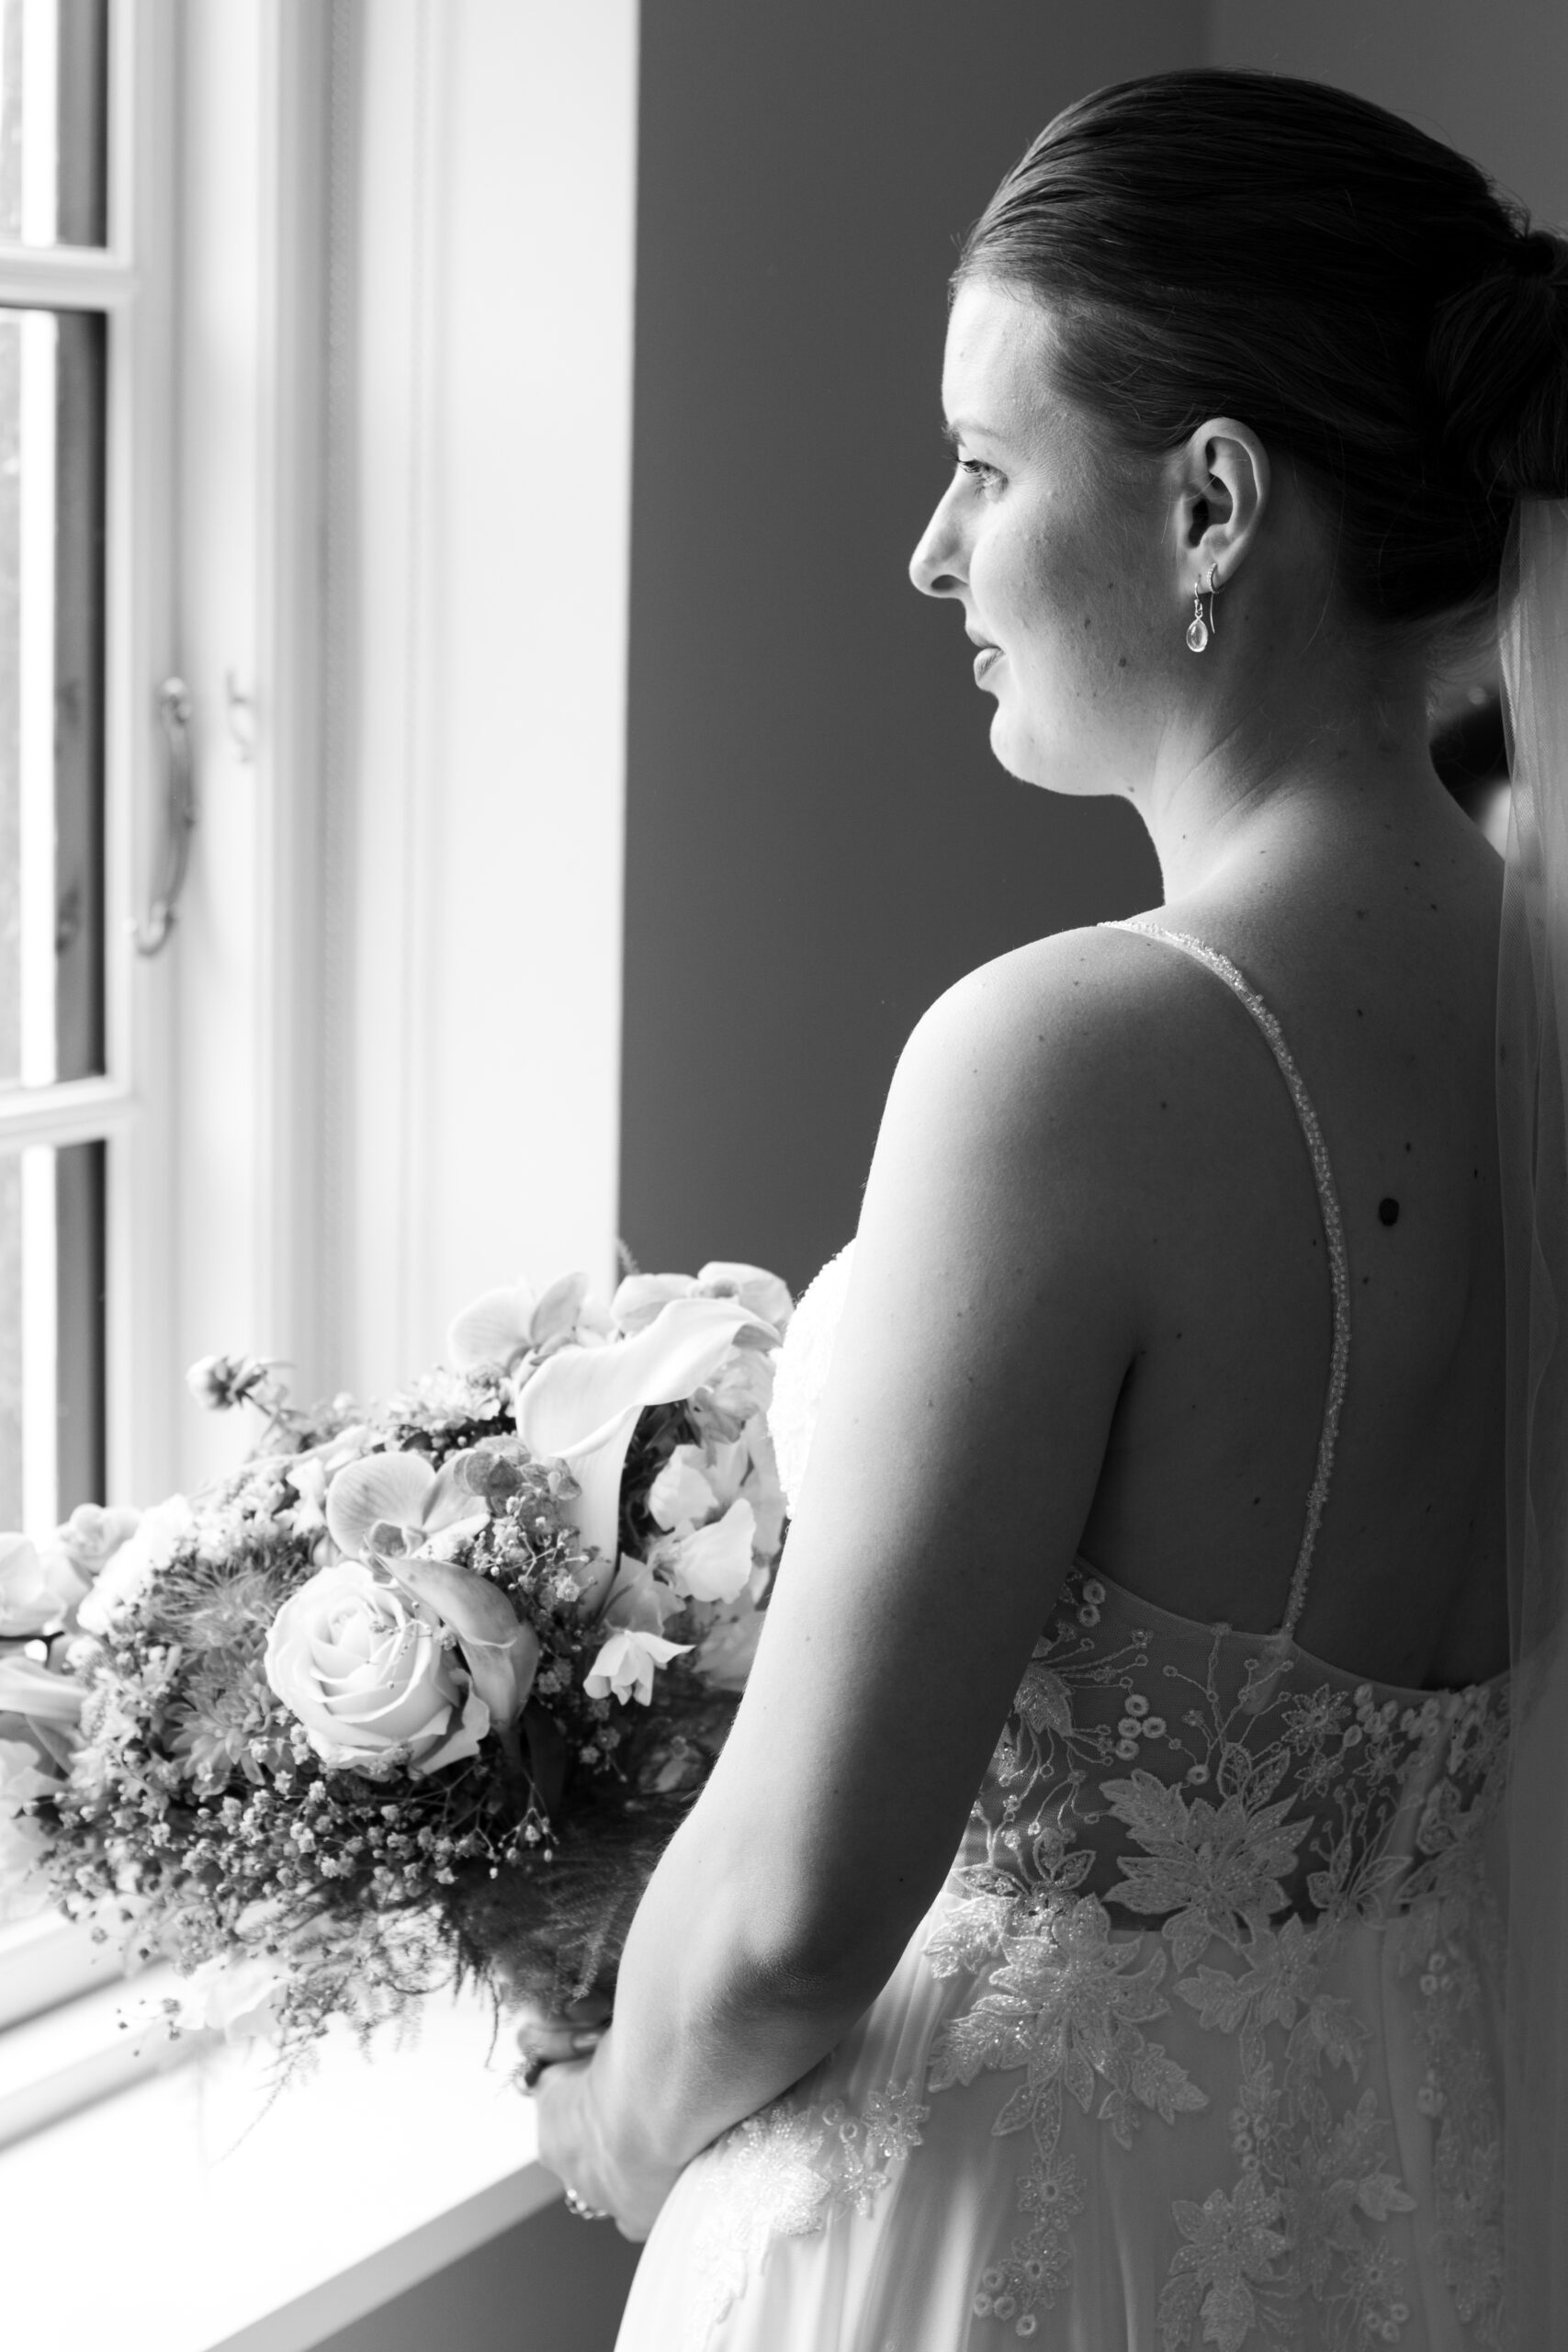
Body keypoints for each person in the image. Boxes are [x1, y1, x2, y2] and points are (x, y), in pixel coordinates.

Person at [528, 70, 1568, 2347]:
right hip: (1391, 2203)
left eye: (985, 467)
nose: (930, 552)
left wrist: (613, 2111)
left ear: (1208, 505)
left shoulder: (1069, 1057)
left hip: (986, 2241)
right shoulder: (1536, 1004)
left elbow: (798, 1916)